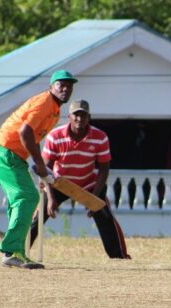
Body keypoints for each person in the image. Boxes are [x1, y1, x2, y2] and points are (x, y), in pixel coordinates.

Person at [0, 69, 77, 269]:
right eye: (61, 84)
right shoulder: (45, 102)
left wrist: (42, 167)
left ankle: (15, 252)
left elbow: (31, 138)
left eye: (69, 85)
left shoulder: (54, 110)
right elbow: (24, 131)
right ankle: (11, 251)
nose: (65, 88)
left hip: (8, 155)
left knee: (19, 200)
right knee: (29, 197)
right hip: (3, 152)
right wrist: (41, 165)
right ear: (51, 87)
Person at [28, 99, 130, 259]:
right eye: (76, 115)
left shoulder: (100, 137)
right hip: (59, 182)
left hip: (88, 183)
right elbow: (44, 169)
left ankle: (119, 256)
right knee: (38, 214)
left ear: (89, 117)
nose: (79, 119)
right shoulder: (55, 136)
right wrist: (51, 197)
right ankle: (19, 251)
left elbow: (104, 169)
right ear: (69, 116)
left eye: (83, 115)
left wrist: (95, 198)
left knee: (104, 214)